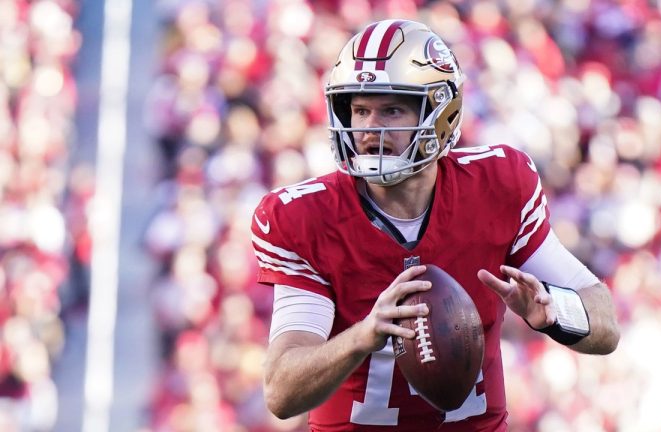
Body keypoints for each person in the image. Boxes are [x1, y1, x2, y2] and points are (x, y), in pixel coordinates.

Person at [252, 19, 620, 431]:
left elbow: (605, 325)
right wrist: (363, 335)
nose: (370, 129)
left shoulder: (497, 184)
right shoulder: (306, 217)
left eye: (391, 109)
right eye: (359, 110)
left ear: (440, 111)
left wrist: (556, 310)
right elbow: (281, 393)